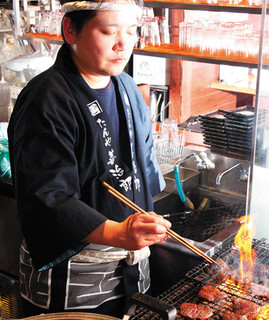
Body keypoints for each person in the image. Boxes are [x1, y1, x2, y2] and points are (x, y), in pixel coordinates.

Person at [7, 0, 171, 317]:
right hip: (72, 276)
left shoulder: (126, 86)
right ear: (71, 30)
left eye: (132, 31)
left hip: (131, 269)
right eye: (108, 31)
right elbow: (47, 197)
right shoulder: (46, 99)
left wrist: (144, 225)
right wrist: (119, 233)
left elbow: (143, 168)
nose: (123, 44)